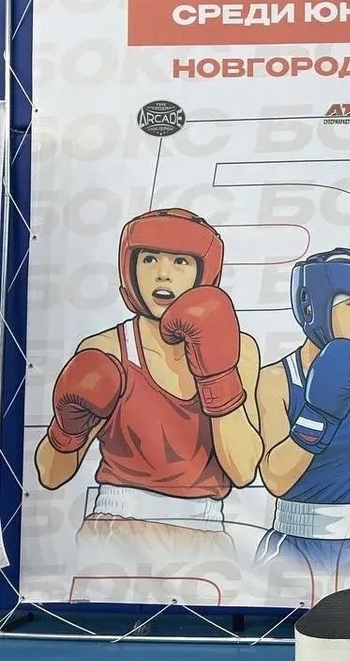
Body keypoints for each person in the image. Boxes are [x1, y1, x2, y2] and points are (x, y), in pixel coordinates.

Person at [34, 208, 263, 600]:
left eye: (180, 261)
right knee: (108, 636)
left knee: (207, 635)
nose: (162, 274)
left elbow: (242, 470)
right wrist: (67, 427)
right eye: (150, 259)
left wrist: (216, 376)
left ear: (203, 272)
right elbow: (51, 475)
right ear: (130, 268)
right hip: (118, 528)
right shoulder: (106, 352)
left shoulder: (239, 351)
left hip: (205, 531)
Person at [254, 248, 350, 601]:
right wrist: (320, 413)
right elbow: (276, 479)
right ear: (314, 307)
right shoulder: (277, 378)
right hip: (294, 542)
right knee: (285, 629)